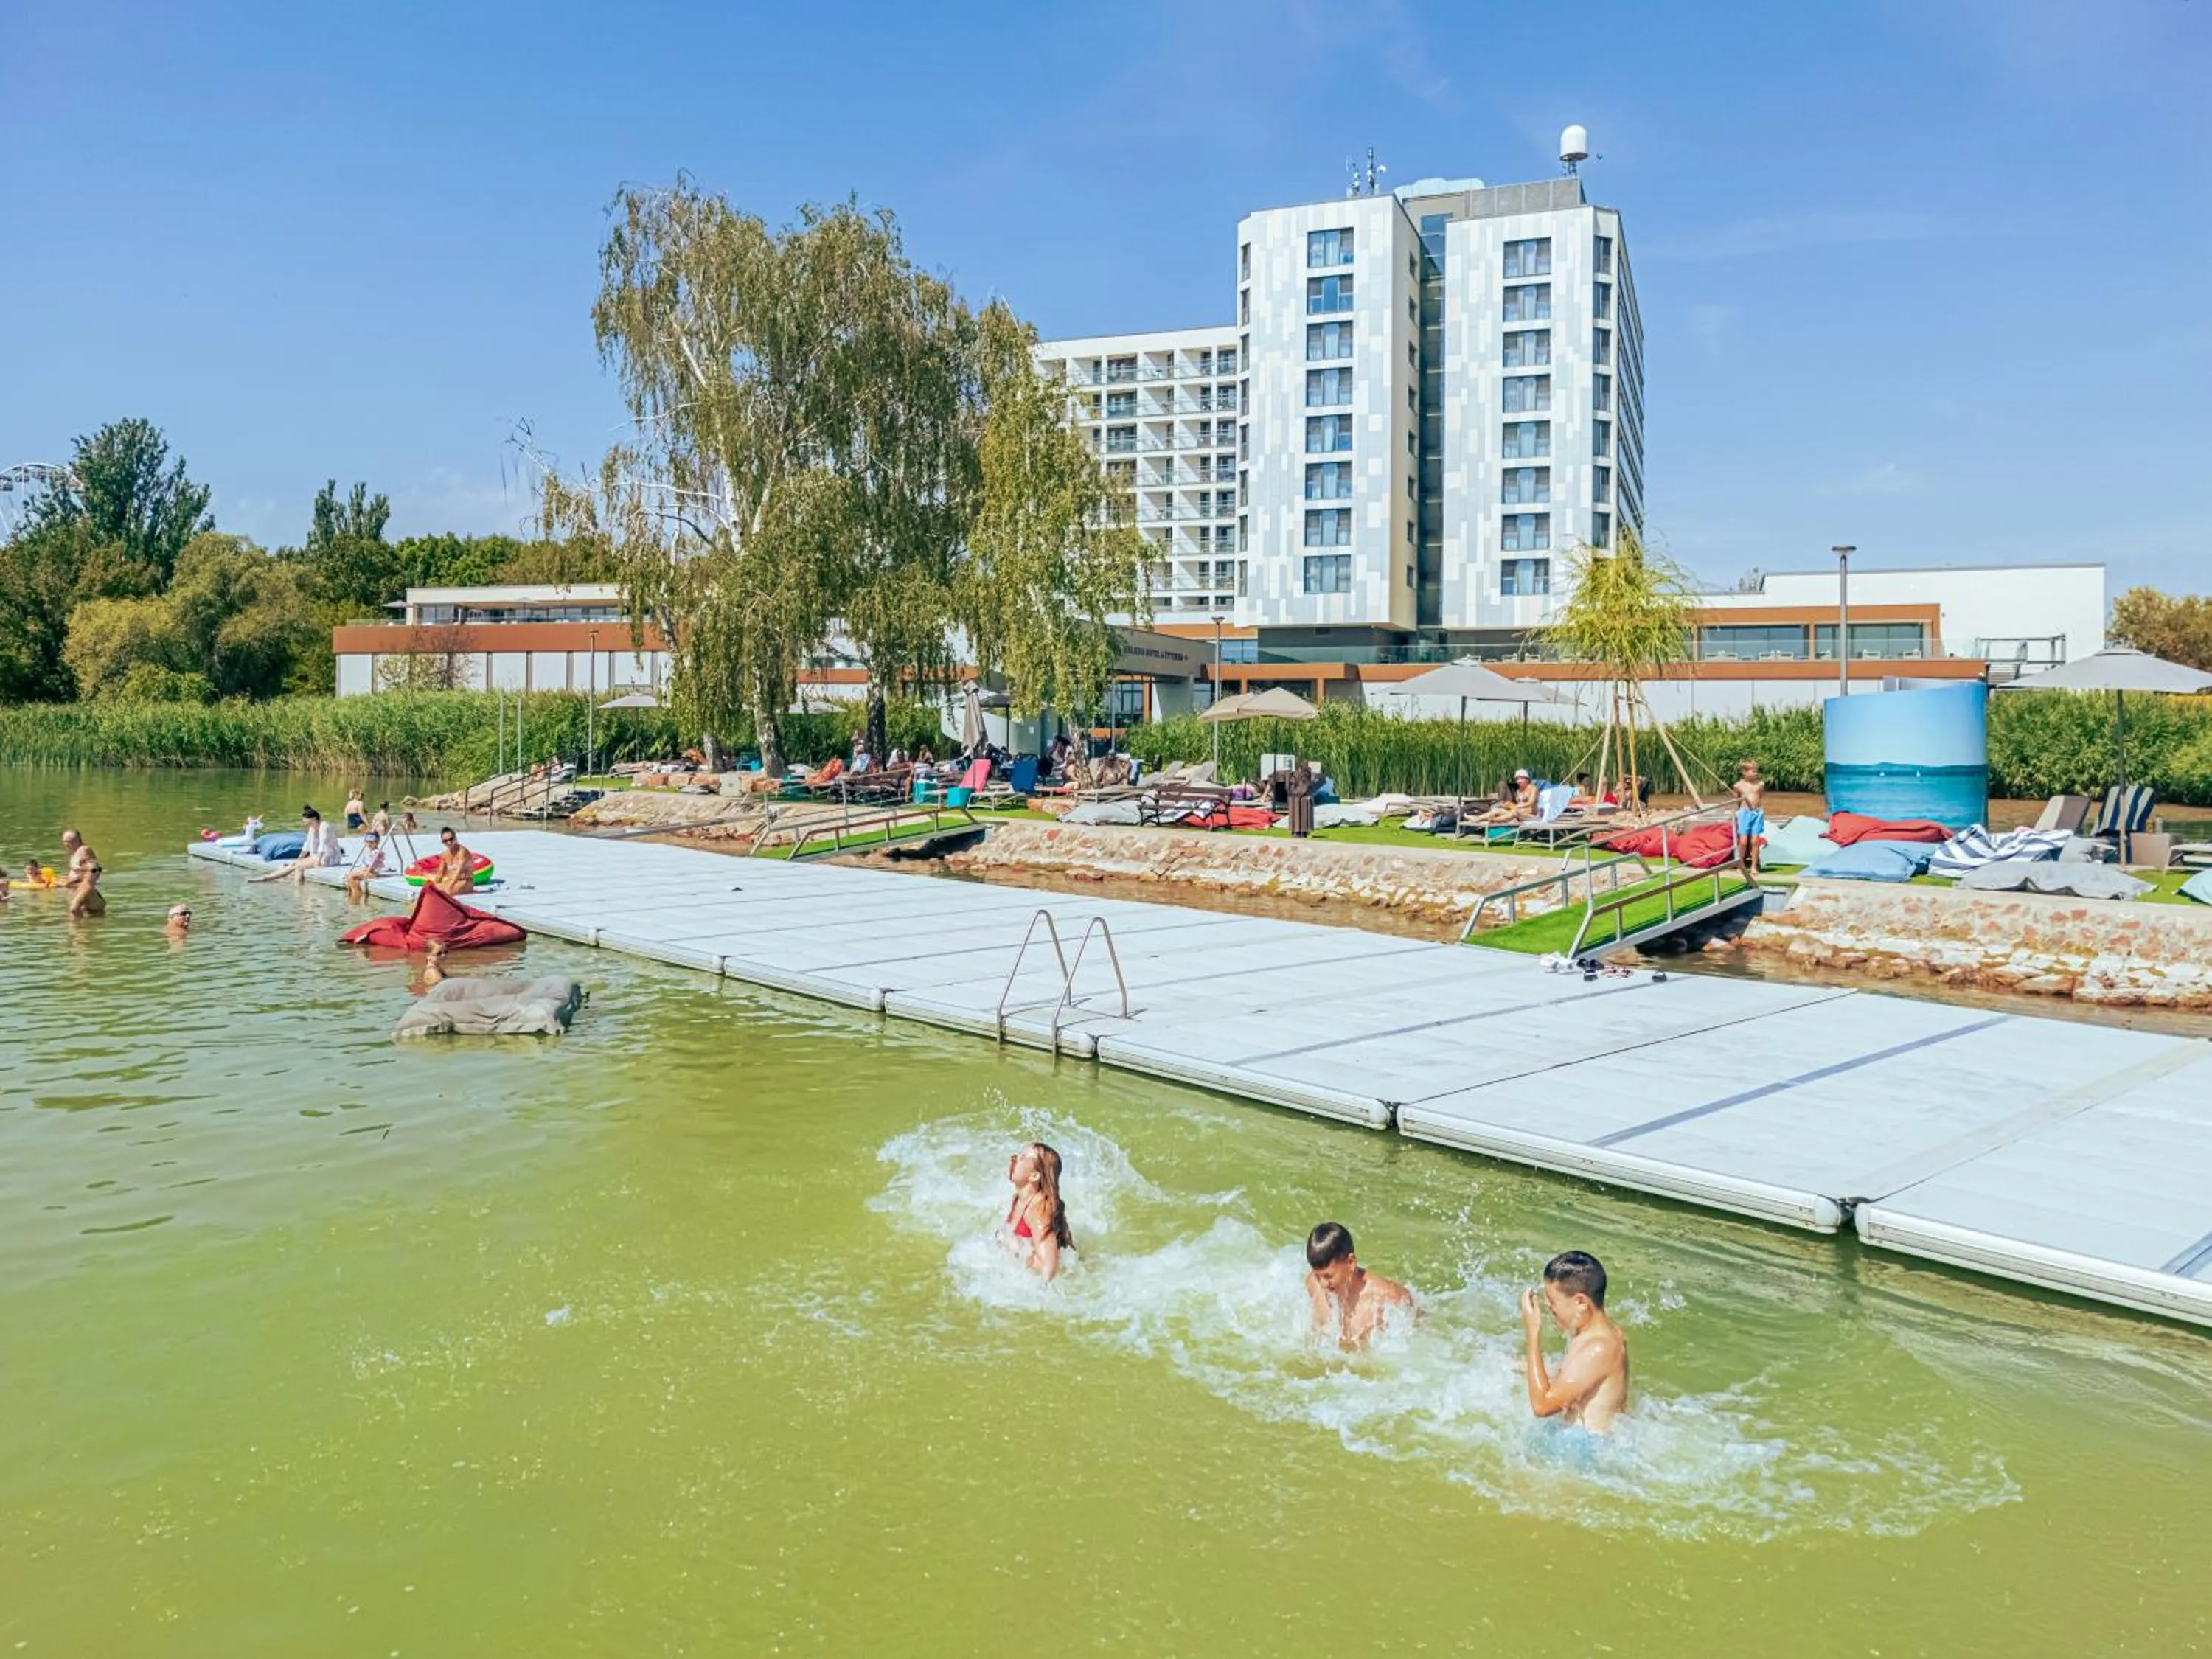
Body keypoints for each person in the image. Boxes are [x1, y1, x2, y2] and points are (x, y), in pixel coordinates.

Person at [1520, 1250, 1630, 1434]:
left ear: (1580, 1302)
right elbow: (1577, 1381)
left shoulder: (1599, 1348)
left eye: (1552, 1299)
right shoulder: (1601, 1333)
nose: (1547, 1304)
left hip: (1584, 1448)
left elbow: (1542, 1406)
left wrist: (1533, 1330)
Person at [1304, 1222, 1415, 1352]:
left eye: (1328, 1276)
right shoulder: (1312, 1283)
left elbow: (1418, 1335)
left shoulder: (1388, 1298)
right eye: (1317, 1276)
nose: (1322, 1284)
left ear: (1350, 1262)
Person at [1003, 1141, 1072, 1281]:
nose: (1015, 1157)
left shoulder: (1038, 1210)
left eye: (1024, 1157)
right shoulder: (1018, 1198)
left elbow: (1049, 1269)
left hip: (1064, 1278)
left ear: (1034, 1176)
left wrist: (1016, 1248)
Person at [1728, 759, 1767, 881]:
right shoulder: (1738, 786)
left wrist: (1758, 810)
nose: (1756, 773)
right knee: (1744, 841)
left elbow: (1760, 797)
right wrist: (1736, 814)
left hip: (1757, 813)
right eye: (1753, 771)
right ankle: (1741, 865)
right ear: (1745, 772)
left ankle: (1754, 867)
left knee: (1755, 841)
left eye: (1756, 771)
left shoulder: (1760, 784)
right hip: (1745, 813)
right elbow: (1737, 801)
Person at [61, 829, 105, 918]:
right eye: (64, 842)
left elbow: (95, 869)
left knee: (74, 910)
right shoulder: (76, 853)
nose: (65, 845)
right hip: (80, 890)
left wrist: (88, 882)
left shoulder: (84, 851)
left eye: (68, 842)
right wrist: (69, 881)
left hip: (86, 889)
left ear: (77, 840)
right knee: (83, 917)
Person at [345, 831, 392, 901]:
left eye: (372, 842)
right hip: (367, 871)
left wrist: (363, 870)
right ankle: (354, 893)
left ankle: (356, 895)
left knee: (351, 876)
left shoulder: (376, 853)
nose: (369, 844)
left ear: (376, 842)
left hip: (373, 873)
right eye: (367, 842)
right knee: (351, 877)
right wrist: (362, 870)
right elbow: (365, 865)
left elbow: (372, 868)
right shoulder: (368, 851)